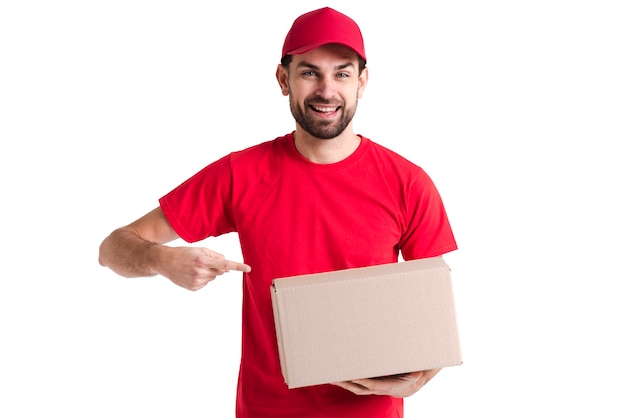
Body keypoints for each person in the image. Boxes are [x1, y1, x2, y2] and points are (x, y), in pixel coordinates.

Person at [99, 6, 458, 418]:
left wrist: (422, 377)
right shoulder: (240, 173)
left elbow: (432, 318)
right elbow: (112, 249)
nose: (327, 90)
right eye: (309, 72)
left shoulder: (407, 182)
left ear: (362, 81)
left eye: (342, 73)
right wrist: (161, 260)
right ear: (283, 79)